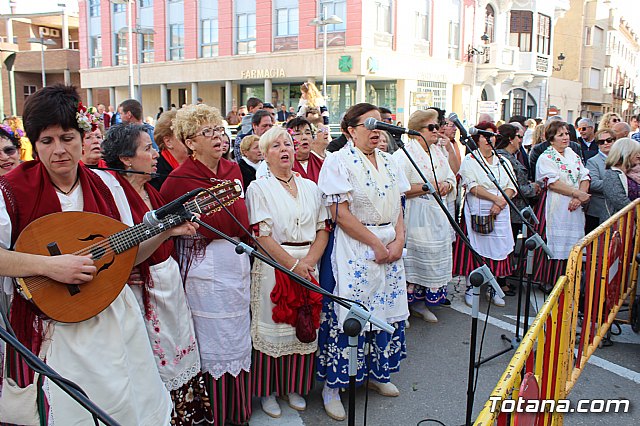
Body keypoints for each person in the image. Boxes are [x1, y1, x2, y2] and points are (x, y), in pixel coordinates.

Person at [0, 84, 197, 425]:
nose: (58, 150)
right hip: (53, 325)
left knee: (127, 404)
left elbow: (128, 255)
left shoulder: (109, 185)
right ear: (34, 144)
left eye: (67, 138)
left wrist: (163, 230)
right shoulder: (11, 191)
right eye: (46, 141)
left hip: (113, 318)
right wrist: (51, 266)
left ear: (81, 135)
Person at [101, 123, 212, 425]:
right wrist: (168, 232)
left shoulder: (152, 191)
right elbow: (125, 249)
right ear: (126, 159)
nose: (155, 155)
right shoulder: (113, 194)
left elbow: (167, 234)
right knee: (150, 363)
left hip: (168, 283)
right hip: (140, 291)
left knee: (180, 353)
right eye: (147, 148)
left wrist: (182, 229)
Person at [160, 104, 253, 426]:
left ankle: (238, 410)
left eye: (220, 130)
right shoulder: (177, 180)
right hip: (203, 269)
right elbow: (170, 232)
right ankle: (216, 412)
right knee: (213, 336)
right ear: (190, 142)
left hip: (236, 262)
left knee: (237, 334)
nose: (218, 137)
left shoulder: (232, 169)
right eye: (207, 132)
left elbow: (241, 216)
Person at [317, 103, 410, 421]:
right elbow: (339, 213)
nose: (376, 129)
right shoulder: (337, 162)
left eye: (380, 124)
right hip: (356, 247)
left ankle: (375, 374)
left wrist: (399, 240)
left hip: (389, 245)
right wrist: (375, 243)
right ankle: (333, 386)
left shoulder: (390, 160)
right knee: (351, 314)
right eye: (368, 124)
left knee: (384, 310)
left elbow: (399, 204)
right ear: (349, 130)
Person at [246, 126, 329, 418]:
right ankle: (268, 391)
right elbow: (261, 235)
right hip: (275, 264)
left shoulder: (310, 186)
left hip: (308, 262)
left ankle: (293, 387)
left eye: (288, 144)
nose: (284, 149)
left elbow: (322, 228)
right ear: (265, 155)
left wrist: (308, 263)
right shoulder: (259, 188)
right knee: (274, 327)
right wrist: (293, 266)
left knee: (302, 324)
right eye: (275, 146)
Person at [395, 109, 456, 323]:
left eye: (437, 126)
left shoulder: (438, 152)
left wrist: (447, 185)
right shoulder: (404, 154)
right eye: (431, 127)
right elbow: (398, 187)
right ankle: (404, 306)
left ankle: (421, 303)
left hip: (437, 215)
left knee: (431, 260)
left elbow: (451, 176)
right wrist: (428, 187)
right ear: (417, 130)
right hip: (415, 215)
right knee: (413, 260)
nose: (436, 131)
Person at [454, 121, 517, 307]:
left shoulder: (503, 161)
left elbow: (511, 186)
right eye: (484, 135)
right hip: (478, 211)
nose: (489, 139)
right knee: (474, 250)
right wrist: (494, 199)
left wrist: (501, 202)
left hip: (500, 212)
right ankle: (470, 287)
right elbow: (472, 185)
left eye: (492, 135)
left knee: (497, 249)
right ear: (477, 139)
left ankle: (492, 286)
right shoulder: (471, 160)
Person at [533, 120, 590, 289]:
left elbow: (585, 176)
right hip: (555, 204)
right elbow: (552, 183)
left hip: (574, 205)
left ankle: (571, 278)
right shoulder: (546, 157)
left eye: (566, 134)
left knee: (573, 241)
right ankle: (550, 280)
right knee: (554, 241)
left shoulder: (573, 154)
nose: (565, 138)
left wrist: (579, 197)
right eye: (560, 135)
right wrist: (576, 193)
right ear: (551, 139)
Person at [585, 129, 616, 231]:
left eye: (609, 140)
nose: (606, 143)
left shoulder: (623, 159)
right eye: (601, 142)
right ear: (598, 144)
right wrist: (618, 185)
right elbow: (593, 183)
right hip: (598, 211)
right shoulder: (593, 161)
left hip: (618, 210)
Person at [149, 109, 189, 191]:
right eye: (185, 136)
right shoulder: (155, 171)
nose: (191, 141)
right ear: (168, 142)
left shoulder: (199, 162)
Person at [603, 138, 640, 215]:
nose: (639, 155)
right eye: (636, 153)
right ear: (626, 153)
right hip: (619, 223)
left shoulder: (636, 173)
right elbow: (620, 202)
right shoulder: (611, 175)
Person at [288, 117, 323, 183]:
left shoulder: (322, 164)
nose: (304, 137)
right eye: (298, 134)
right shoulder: (284, 165)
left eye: (307, 133)